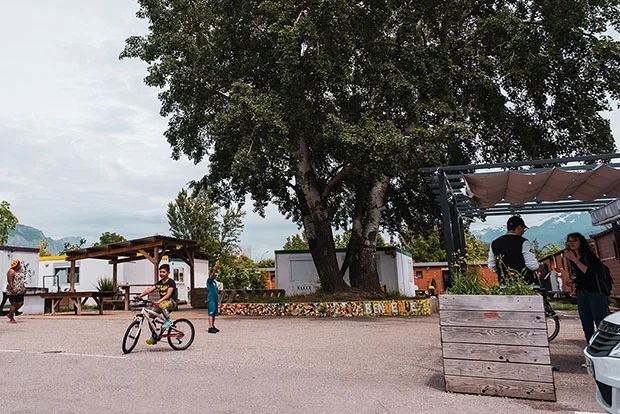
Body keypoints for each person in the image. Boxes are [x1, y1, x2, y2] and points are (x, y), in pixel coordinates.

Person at [564, 232, 610, 343]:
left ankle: (604, 348)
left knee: (601, 323)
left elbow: (590, 272)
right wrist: (573, 281)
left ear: (581, 242)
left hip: (595, 293)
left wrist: (575, 260)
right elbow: (582, 275)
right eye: (569, 241)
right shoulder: (573, 258)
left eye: (575, 240)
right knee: (586, 324)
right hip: (582, 293)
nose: (572, 243)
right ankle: (591, 347)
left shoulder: (589, 256)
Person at [488, 216, 539, 284]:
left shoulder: (494, 243)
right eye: (523, 229)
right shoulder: (524, 242)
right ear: (519, 227)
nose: (523, 232)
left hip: (504, 283)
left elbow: (491, 266)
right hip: (524, 284)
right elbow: (532, 266)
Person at [134, 264, 177, 345]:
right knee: (149, 317)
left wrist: (159, 301)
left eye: (163, 272)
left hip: (171, 302)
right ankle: (155, 336)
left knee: (161, 305)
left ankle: (168, 321)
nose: (161, 273)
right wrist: (139, 295)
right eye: (160, 272)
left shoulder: (171, 282)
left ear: (168, 273)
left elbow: (168, 294)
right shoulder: (159, 283)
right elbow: (149, 290)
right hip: (162, 302)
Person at [6, 259, 26, 324]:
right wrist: (13, 288)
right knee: (14, 304)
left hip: (20, 290)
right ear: (17, 265)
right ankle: (11, 318)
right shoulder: (11, 271)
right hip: (13, 290)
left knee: (21, 303)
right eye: (19, 264)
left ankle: (10, 314)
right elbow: (10, 281)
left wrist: (24, 287)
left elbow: (22, 280)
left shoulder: (19, 271)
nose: (20, 265)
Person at [207, 262, 220, 333]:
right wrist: (214, 270)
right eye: (215, 274)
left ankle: (213, 325)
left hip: (215, 299)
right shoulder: (209, 281)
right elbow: (211, 276)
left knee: (214, 313)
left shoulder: (215, 282)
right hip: (211, 299)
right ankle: (210, 327)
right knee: (211, 313)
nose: (215, 275)